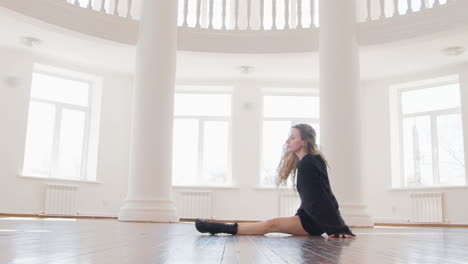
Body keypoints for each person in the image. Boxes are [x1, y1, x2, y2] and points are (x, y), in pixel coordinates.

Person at [195, 124, 355, 238]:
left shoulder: (308, 162)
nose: (288, 141)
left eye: (293, 137)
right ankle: (220, 227)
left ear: (304, 141)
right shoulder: (312, 160)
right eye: (289, 137)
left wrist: (338, 228)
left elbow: (319, 197)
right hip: (312, 218)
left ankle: (219, 227)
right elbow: (324, 195)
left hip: (314, 221)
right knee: (271, 224)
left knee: (271, 224)